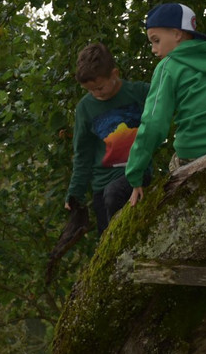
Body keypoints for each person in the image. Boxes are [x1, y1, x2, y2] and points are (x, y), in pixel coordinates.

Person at [126, 3, 206, 205]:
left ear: (177, 34)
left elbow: (153, 124)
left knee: (173, 166)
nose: (153, 49)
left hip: (198, 151)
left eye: (156, 40)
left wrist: (135, 173)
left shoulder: (167, 67)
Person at [65, 42, 152, 236]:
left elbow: (172, 94)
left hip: (137, 175)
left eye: (100, 88)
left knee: (114, 194)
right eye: (90, 91)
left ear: (114, 74)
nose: (96, 94)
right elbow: (83, 154)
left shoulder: (138, 92)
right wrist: (75, 192)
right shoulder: (85, 108)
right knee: (107, 238)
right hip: (102, 186)